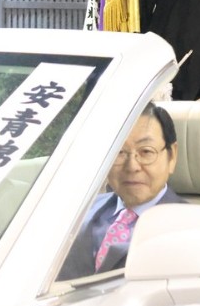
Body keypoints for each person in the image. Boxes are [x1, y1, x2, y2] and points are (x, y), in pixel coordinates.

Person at [58, 104, 186, 279]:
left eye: (146, 151)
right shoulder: (77, 211)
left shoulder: (193, 227)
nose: (132, 166)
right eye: (119, 152)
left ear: (172, 156)